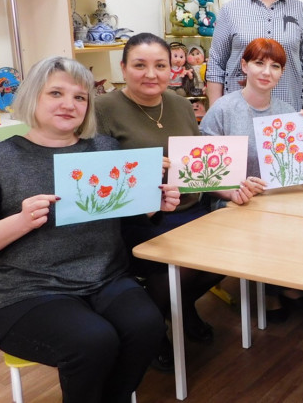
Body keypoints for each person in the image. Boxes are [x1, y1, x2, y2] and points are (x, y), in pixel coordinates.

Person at [0, 56, 180, 402]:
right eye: (56, 93)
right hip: (26, 292)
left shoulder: (106, 149)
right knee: (93, 341)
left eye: (80, 97)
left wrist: (153, 207)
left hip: (105, 280)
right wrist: (18, 223)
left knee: (148, 326)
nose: (69, 104)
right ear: (33, 97)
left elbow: (126, 220)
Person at [95, 33, 223, 371]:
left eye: (160, 66)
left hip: (190, 208)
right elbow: (98, 174)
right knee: (176, 268)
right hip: (139, 216)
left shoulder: (180, 103)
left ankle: (183, 309)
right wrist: (144, 172)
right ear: (123, 68)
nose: (151, 74)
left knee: (231, 255)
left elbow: (199, 164)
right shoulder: (102, 108)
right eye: (140, 65)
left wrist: (227, 187)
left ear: (172, 70)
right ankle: (154, 333)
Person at [200, 38, 303, 322]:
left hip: (275, 199)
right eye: (259, 63)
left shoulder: (286, 110)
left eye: (275, 65)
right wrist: (233, 190)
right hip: (234, 202)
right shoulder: (223, 109)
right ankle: (268, 289)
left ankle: (282, 282)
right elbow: (205, 174)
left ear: (282, 73)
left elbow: (290, 166)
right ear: (244, 65)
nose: (267, 71)